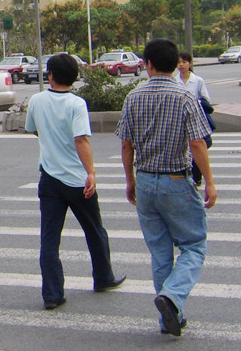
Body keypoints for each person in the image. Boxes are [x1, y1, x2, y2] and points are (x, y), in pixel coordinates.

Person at [116, 39, 217, 337]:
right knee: (194, 246)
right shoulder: (185, 95)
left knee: (160, 254)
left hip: (146, 181)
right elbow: (197, 143)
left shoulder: (133, 96)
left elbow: (126, 145)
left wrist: (130, 180)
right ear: (176, 64)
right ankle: (172, 298)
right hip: (176, 180)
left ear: (148, 64)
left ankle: (169, 318)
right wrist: (210, 181)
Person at [24, 54, 125, 311]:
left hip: (49, 179)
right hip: (77, 181)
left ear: (51, 76)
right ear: (75, 77)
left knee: (49, 238)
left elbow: (33, 129)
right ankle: (103, 278)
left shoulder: (36, 100)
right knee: (94, 230)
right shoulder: (77, 104)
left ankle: (52, 294)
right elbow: (81, 140)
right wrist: (91, 172)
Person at [175, 52, 214, 185]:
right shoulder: (174, 81)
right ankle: (188, 176)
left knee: (198, 147)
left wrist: (195, 102)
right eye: (179, 62)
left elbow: (206, 100)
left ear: (190, 64)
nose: (181, 65)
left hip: (195, 119)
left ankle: (196, 177)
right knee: (186, 150)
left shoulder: (198, 81)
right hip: (179, 121)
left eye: (184, 62)